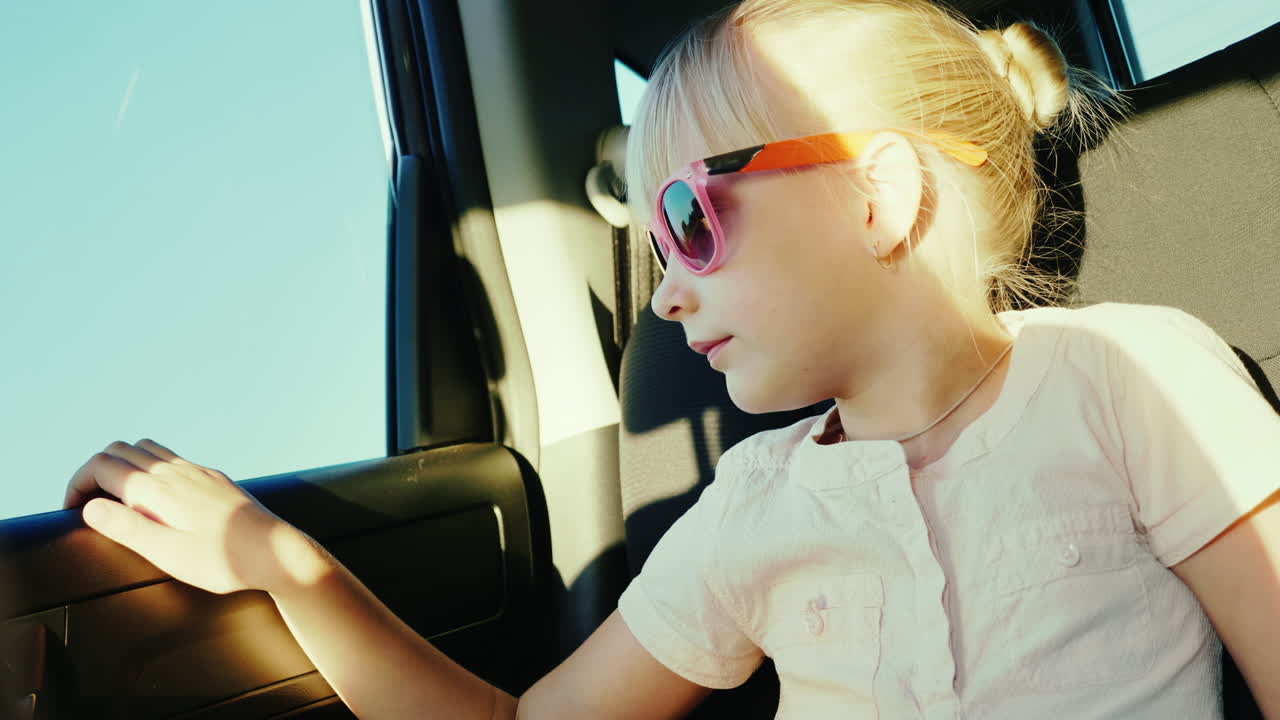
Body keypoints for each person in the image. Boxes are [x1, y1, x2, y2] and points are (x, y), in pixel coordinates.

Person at [64, 0, 1280, 718]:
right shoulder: (750, 505)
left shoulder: (1127, 380)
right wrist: (284, 566)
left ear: (878, 196)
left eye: (689, 220)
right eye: (651, 246)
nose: (663, 293)